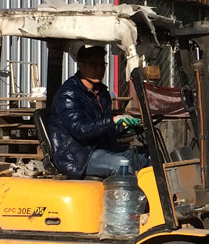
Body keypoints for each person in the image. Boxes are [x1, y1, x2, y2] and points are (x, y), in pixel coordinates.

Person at [47, 45, 150, 179]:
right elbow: (81, 130)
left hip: (100, 149)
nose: (99, 69)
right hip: (78, 157)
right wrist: (112, 120)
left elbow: (103, 129)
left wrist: (125, 127)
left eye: (102, 64)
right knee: (122, 166)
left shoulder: (101, 92)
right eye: (93, 64)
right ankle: (131, 193)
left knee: (146, 156)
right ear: (81, 65)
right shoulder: (68, 94)